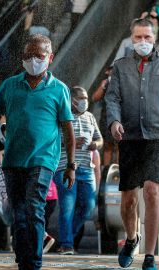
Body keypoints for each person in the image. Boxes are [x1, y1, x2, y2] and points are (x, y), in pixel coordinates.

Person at [0, 34, 76, 270]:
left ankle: (34, 263)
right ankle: (23, 259)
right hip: (13, 160)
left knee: (34, 207)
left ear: (50, 57)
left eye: (39, 56)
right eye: (29, 56)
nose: (33, 60)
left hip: (43, 159)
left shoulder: (59, 89)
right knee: (17, 212)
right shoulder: (10, 85)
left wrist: (71, 166)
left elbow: (68, 129)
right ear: (22, 58)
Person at [105, 18, 159, 270]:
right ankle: (132, 239)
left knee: (152, 191)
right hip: (129, 137)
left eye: (147, 38)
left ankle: (150, 255)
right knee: (129, 199)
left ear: (155, 40)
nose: (143, 42)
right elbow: (112, 99)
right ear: (131, 39)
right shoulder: (120, 67)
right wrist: (114, 123)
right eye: (138, 37)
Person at [54, 86, 103, 255]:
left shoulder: (90, 117)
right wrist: (72, 142)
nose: (85, 101)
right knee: (67, 206)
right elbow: (53, 141)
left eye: (86, 98)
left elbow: (100, 138)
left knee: (89, 205)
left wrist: (95, 144)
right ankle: (67, 244)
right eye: (81, 98)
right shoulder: (62, 116)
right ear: (72, 100)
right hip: (65, 167)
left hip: (86, 169)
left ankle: (66, 237)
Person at [91, 66, 119, 167]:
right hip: (106, 119)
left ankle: (119, 173)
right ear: (108, 72)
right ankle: (106, 172)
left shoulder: (125, 82)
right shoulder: (106, 83)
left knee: (119, 146)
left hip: (121, 119)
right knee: (108, 146)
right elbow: (94, 98)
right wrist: (103, 86)